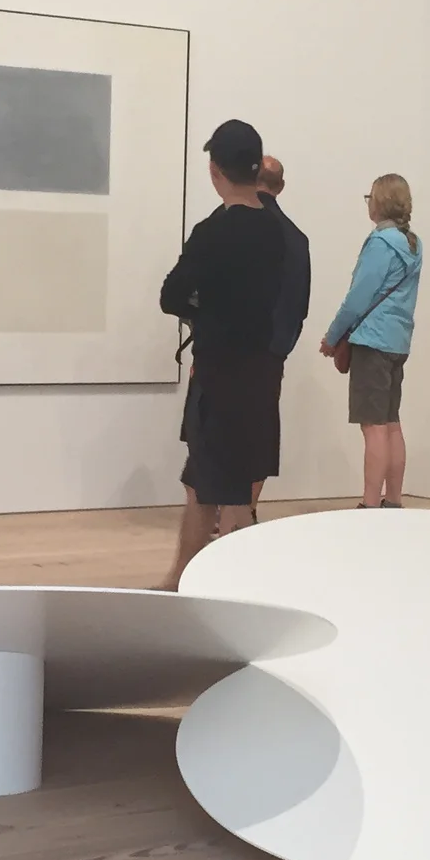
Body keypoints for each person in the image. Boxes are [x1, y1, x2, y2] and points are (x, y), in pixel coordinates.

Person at [158, 120, 288, 590]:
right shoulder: (278, 233)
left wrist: (205, 306)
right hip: (259, 375)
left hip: (216, 377)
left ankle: (216, 591)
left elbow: (172, 296)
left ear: (215, 171)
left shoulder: (212, 232)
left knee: (216, 489)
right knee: (219, 487)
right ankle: (189, 583)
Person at [318, 174, 422, 508]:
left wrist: (332, 336)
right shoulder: (412, 244)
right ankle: (393, 500)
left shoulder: (380, 243)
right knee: (391, 423)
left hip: (372, 342)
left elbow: (357, 298)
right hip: (397, 342)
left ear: (379, 202)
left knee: (373, 427)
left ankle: (370, 504)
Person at [249, 156, 311, 510]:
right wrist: (282, 346)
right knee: (260, 429)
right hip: (272, 351)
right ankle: (247, 509)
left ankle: (220, 511)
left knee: (222, 430)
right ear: (281, 186)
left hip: (230, 350)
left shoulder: (228, 225)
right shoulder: (297, 239)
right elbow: (300, 304)